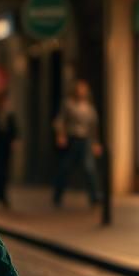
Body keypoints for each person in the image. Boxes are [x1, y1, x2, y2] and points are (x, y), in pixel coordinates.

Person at [52, 78, 101, 207]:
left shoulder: (89, 108)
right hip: (72, 139)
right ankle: (57, 195)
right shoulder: (68, 104)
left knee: (89, 167)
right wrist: (61, 134)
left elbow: (93, 126)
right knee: (65, 168)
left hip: (85, 140)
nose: (81, 92)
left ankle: (94, 196)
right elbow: (60, 120)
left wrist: (95, 142)